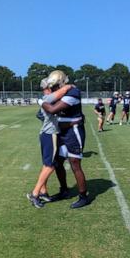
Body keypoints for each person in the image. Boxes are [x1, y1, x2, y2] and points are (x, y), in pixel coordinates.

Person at [40, 70, 90, 209]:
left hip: (73, 132)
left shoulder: (73, 92)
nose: (53, 89)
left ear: (61, 83)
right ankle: (64, 190)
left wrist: (41, 101)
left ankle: (83, 196)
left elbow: (53, 109)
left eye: (55, 86)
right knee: (57, 162)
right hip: (61, 130)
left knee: (74, 163)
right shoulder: (60, 91)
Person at [27, 79, 75, 208]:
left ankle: (43, 192)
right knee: (50, 166)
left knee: (47, 165)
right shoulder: (48, 98)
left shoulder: (46, 98)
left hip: (46, 135)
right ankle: (35, 193)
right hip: (50, 135)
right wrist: (68, 86)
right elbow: (63, 91)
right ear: (49, 87)